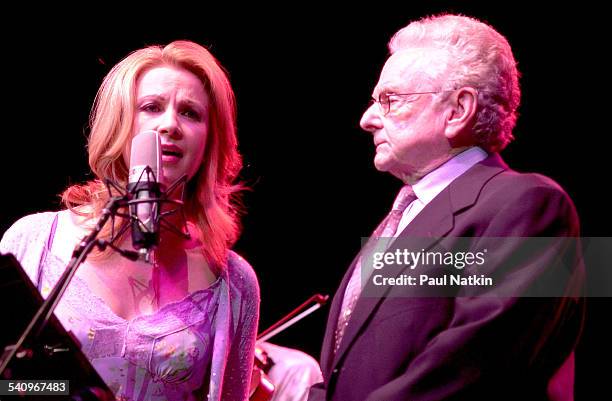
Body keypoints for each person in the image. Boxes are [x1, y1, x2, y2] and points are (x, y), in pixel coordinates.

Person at [308, 14, 584, 401]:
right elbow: (340, 377)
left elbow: (478, 366)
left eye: (389, 100)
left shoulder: (533, 204)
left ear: (458, 110)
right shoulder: (396, 221)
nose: (366, 120)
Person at [0, 40, 259, 401]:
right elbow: (5, 384)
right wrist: (72, 392)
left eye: (190, 113)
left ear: (210, 141)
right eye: (151, 107)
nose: (170, 124)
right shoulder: (33, 242)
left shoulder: (233, 283)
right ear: (121, 122)